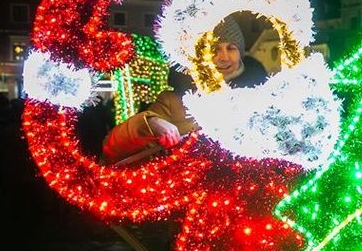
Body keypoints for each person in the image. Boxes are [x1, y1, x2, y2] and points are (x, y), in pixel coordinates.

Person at [102, 16, 267, 162]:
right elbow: (113, 148)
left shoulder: (262, 97)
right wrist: (150, 123)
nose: (224, 56)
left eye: (231, 48)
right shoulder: (175, 102)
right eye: (214, 49)